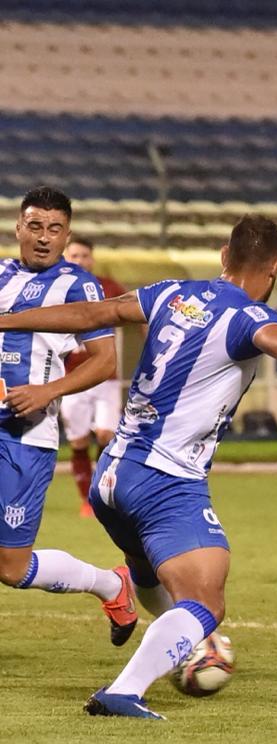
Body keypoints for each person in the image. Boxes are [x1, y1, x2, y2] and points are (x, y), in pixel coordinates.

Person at [0, 214, 277, 719]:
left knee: (155, 579)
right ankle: (127, 689)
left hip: (112, 475)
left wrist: (5, 319)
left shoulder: (172, 292)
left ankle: (187, 642)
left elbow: (90, 314)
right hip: (165, 480)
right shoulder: (249, 317)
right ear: (273, 268)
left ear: (223, 256)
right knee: (207, 603)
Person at [0, 186, 136, 646]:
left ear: (67, 236)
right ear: (18, 228)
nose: (44, 237)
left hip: (24, 436)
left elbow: (105, 361)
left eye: (54, 229)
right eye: (35, 226)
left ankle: (111, 586)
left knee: (11, 567)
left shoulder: (80, 285)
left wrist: (48, 391)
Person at [61, 235, 127, 517]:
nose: (80, 260)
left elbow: (136, 313)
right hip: (71, 378)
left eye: (84, 255)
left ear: (92, 259)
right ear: (65, 257)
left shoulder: (108, 287)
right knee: (78, 441)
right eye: (74, 255)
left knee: (106, 435)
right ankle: (86, 499)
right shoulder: (55, 288)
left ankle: (100, 495)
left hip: (105, 377)